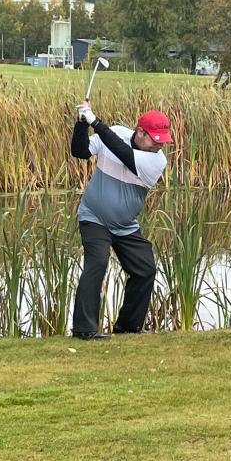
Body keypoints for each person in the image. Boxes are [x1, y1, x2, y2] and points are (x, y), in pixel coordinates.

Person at [70, 102, 173, 340]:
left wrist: (96, 122)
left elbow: (123, 154)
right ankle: (84, 329)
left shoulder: (157, 161)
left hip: (124, 225)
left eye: (162, 140)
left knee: (145, 269)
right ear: (140, 131)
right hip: (93, 217)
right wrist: (81, 124)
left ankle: (127, 327)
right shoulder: (116, 133)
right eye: (155, 139)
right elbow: (80, 151)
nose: (159, 145)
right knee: (97, 264)